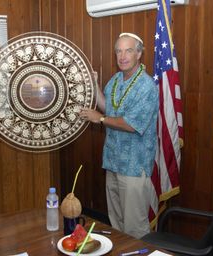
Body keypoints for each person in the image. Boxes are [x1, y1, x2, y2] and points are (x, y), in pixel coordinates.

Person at [80, 33, 159, 238]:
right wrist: (94, 84)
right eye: (118, 51)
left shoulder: (146, 86)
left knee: (134, 227)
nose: (122, 56)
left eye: (128, 50)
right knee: (117, 224)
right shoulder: (115, 79)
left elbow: (132, 125)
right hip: (113, 162)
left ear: (139, 54)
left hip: (133, 167)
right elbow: (108, 107)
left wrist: (100, 119)